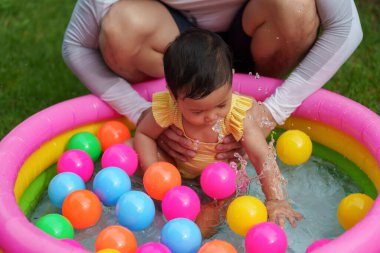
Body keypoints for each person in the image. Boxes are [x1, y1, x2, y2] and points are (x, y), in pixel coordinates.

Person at [62, 0, 362, 163]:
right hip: (176, 47)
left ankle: (256, 86)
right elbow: (76, 45)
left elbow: (346, 27)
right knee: (121, 29)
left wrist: (272, 111)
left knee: (295, 6)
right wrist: (140, 111)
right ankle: (184, 101)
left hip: (255, 32)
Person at [134, 28, 302, 238]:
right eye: (197, 111)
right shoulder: (169, 108)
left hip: (219, 183)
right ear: (173, 95)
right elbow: (144, 134)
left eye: (221, 104)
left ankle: (193, 239)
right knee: (140, 163)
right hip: (177, 170)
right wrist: (154, 172)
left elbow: (262, 156)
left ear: (231, 79)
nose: (212, 117)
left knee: (220, 204)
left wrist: (275, 199)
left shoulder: (238, 115)